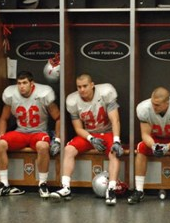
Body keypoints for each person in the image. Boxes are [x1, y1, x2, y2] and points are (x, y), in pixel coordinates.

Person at [50, 74, 124, 205]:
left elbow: (115, 120)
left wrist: (117, 140)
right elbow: (78, 128)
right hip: (88, 134)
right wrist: (91, 138)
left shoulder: (106, 93)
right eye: (79, 87)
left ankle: (111, 189)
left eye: (85, 86)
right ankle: (66, 187)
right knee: (68, 149)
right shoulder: (73, 101)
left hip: (106, 132)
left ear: (92, 85)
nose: (82, 90)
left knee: (114, 151)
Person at [0, 71, 60, 198]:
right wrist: (1, 135)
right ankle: (4, 184)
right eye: (19, 83)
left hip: (39, 132)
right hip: (20, 131)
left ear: (32, 84)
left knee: (43, 147)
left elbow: (58, 118)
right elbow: (4, 118)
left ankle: (43, 183)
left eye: (25, 83)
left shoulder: (43, 94)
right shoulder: (11, 95)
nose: (21, 86)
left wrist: (58, 139)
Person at [128, 87, 170, 206]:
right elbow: (145, 134)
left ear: (167, 103)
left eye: (158, 105)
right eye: (153, 103)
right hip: (155, 139)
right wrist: (154, 145)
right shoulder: (144, 108)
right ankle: (139, 190)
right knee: (141, 147)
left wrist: (167, 147)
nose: (154, 107)